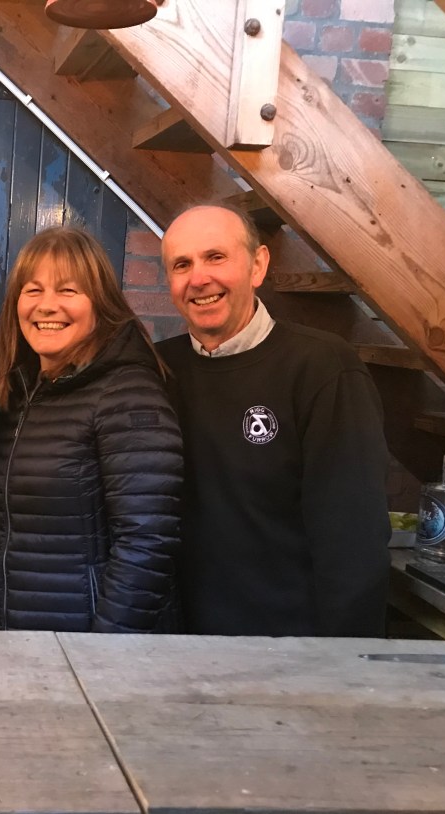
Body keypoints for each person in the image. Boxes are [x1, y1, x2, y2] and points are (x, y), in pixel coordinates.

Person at [156, 203, 390, 637]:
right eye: (181, 264)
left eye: (216, 257)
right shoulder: (159, 370)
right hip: (177, 642)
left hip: (287, 649)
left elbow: (353, 539)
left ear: (258, 265)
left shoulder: (321, 367)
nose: (199, 278)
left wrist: (346, 665)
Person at [0, 227, 182, 633]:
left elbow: (146, 544)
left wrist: (101, 655)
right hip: (22, 637)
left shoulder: (127, 393)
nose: (47, 306)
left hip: (81, 651)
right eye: (33, 290)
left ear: (101, 303)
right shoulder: (29, 392)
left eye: (68, 291)